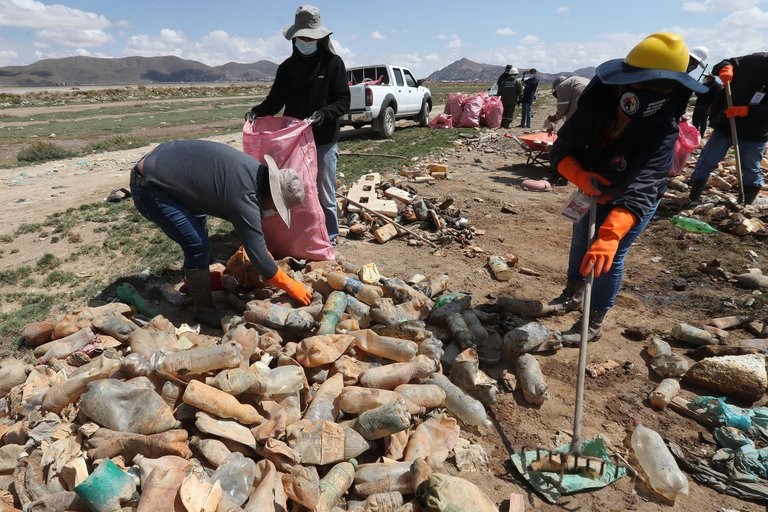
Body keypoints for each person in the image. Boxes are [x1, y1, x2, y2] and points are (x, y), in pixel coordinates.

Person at [547, 33, 707, 345]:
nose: (646, 94)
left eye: (658, 88)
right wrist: (577, 173)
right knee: (581, 239)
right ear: (623, 82)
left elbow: (645, 183)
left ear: (671, 91)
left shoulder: (662, 130)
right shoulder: (595, 107)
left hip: (630, 202)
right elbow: (562, 146)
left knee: (609, 255)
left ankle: (592, 321)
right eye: (640, 84)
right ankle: (573, 293)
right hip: (591, 187)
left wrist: (609, 234)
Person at [129, 140, 312, 328]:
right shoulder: (245, 198)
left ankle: (197, 280)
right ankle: (203, 310)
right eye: (275, 207)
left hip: (164, 164)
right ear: (271, 195)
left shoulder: (255, 172)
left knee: (199, 223)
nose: (273, 211)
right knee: (197, 245)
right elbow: (259, 257)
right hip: (149, 186)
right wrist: (290, 285)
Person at [246, 5, 350, 244]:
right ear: (294, 38)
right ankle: (299, 235)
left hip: (323, 139)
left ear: (319, 38)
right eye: (301, 37)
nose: (306, 40)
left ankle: (330, 237)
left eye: (310, 37)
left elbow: (343, 101)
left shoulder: (333, 64)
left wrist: (323, 114)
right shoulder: (286, 68)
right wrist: (256, 112)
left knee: (324, 192)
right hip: (294, 142)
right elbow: (275, 101)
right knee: (294, 190)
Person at [688, 52, 768, 205]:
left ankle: (745, 204)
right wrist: (725, 68)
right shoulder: (756, 60)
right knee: (707, 160)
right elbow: (725, 63)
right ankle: (693, 198)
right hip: (727, 124)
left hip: (755, 132)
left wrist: (747, 111)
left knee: (750, 169)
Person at [691, 73, 722, 137]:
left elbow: (716, 99)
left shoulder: (717, 86)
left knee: (702, 122)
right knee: (695, 120)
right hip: (698, 105)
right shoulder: (704, 84)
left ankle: (701, 135)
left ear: (711, 77)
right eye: (705, 76)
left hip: (706, 106)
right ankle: (695, 135)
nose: (705, 78)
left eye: (707, 76)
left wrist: (710, 108)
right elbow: (699, 94)